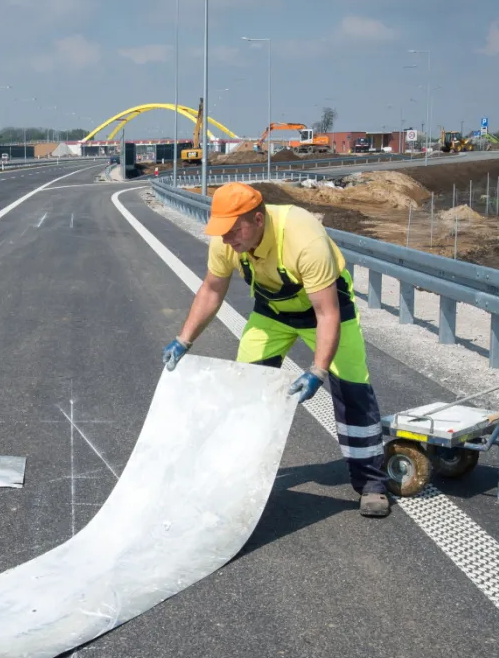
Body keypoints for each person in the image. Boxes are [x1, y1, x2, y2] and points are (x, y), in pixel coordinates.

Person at [162, 182, 390, 518]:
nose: (227, 239)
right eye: (222, 232)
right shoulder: (227, 241)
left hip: (323, 312)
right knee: (247, 387)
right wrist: (184, 340)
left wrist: (318, 370)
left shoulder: (303, 238)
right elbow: (211, 290)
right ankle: (244, 477)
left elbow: (327, 312)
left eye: (233, 230)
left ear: (257, 219)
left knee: (353, 388)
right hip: (272, 311)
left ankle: (372, 483)